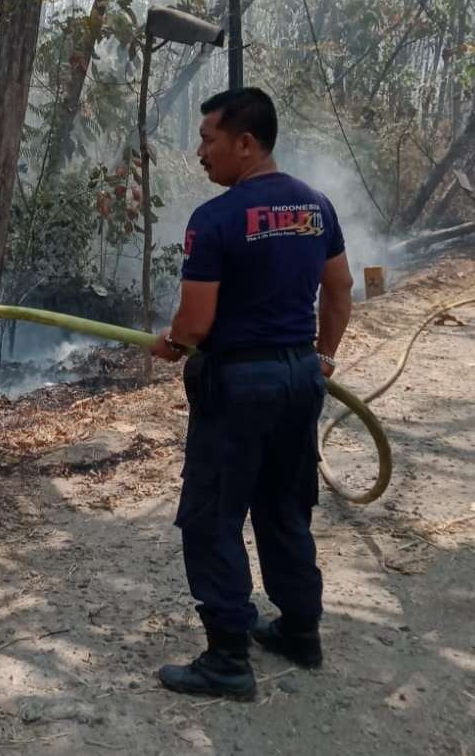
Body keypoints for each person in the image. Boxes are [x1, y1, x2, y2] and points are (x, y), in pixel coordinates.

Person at [151, 87, 354, 700]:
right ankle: (299, 631)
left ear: (245, 143)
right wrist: (321, 356)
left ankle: (228, 659)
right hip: (298, 380)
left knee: (212, 518)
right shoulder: (315, 207)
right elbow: (340, 289)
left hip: (239, 387)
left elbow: (195, 325)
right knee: (284, 507)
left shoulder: (213, 219)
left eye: (208, 139)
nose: (199, 153)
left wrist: (172, 343)